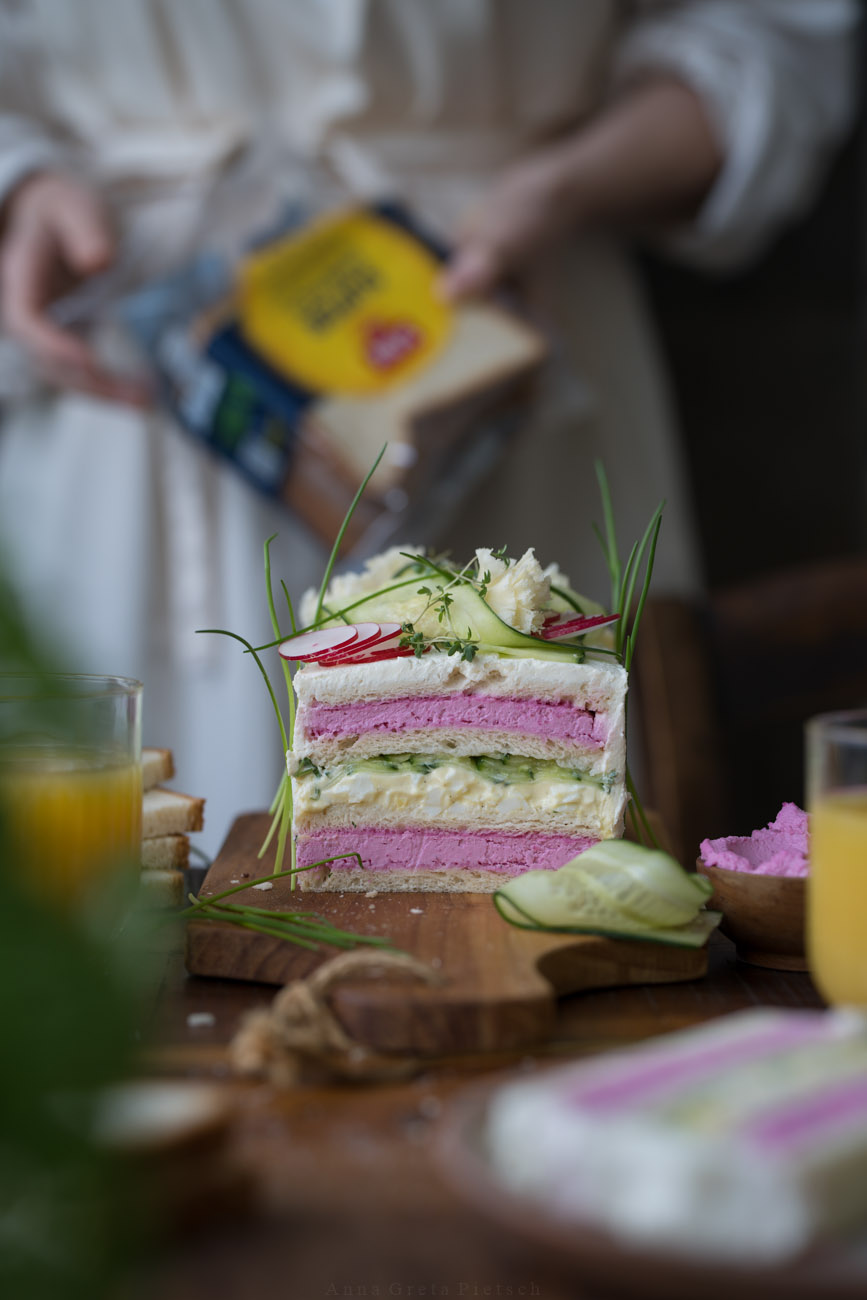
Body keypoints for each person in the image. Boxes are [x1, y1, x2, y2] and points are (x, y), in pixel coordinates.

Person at [0, 1, 857, 856]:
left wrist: (570, 180)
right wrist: (20, 182)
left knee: (555, 866)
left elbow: (767, 34)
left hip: (506, 320)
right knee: (123, 899)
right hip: (132, 361)